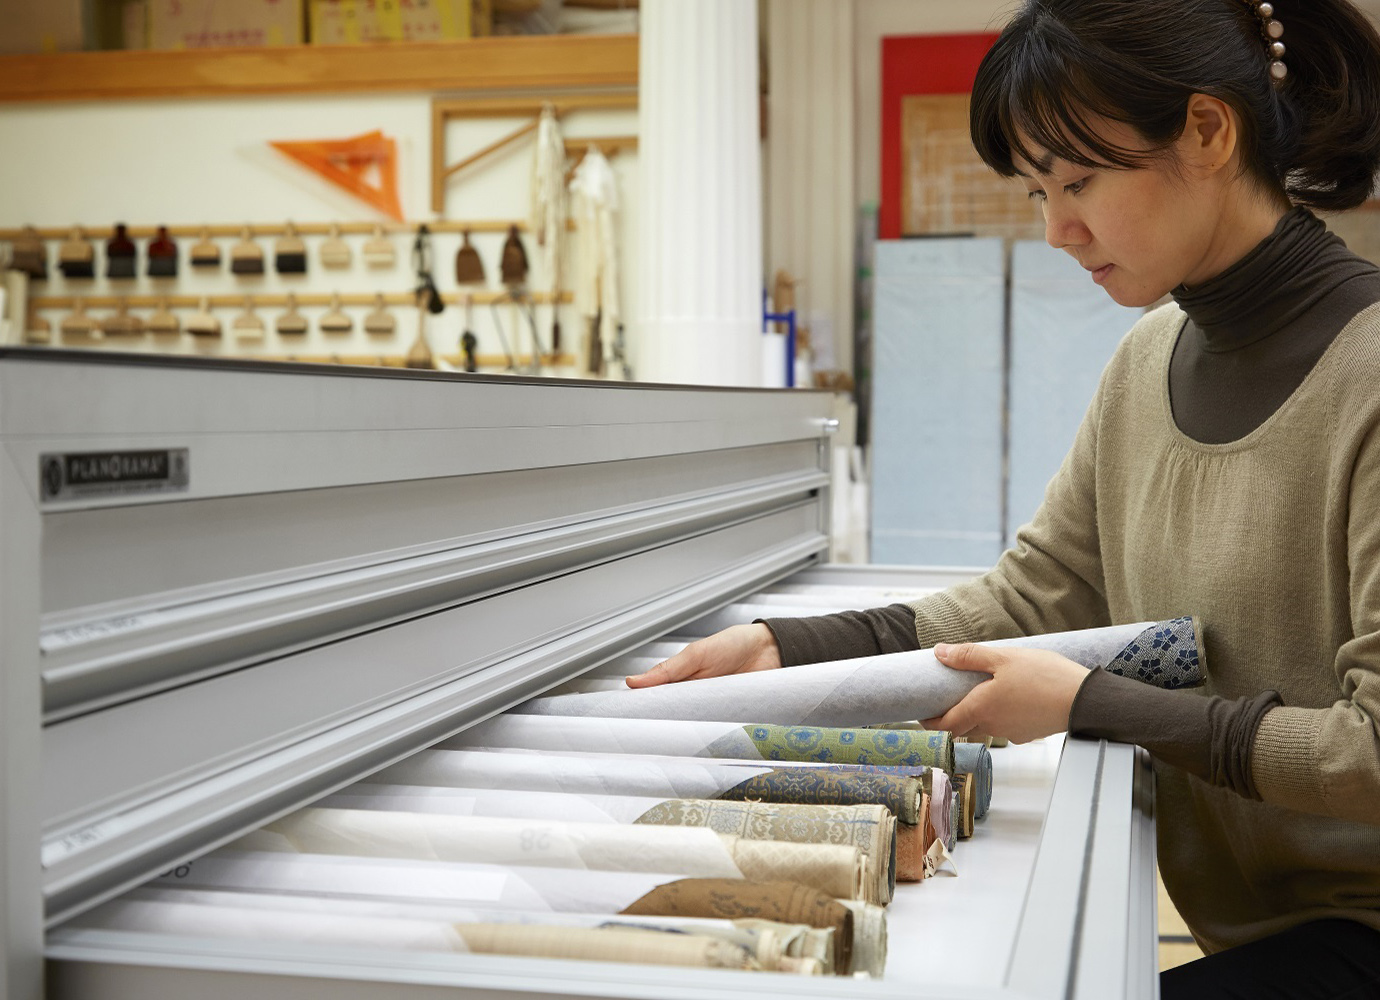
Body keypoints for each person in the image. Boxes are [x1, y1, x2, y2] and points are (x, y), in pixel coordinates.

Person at [627, 1, 1380, 995]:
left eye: (1078, 180)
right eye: (1036, 190)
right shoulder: (1147, 362)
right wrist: (789, 647)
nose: (1058, 228)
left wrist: (1094, 705)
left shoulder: (1365, 373)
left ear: (1206, 130)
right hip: (1262, 933)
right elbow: (1029, 600)